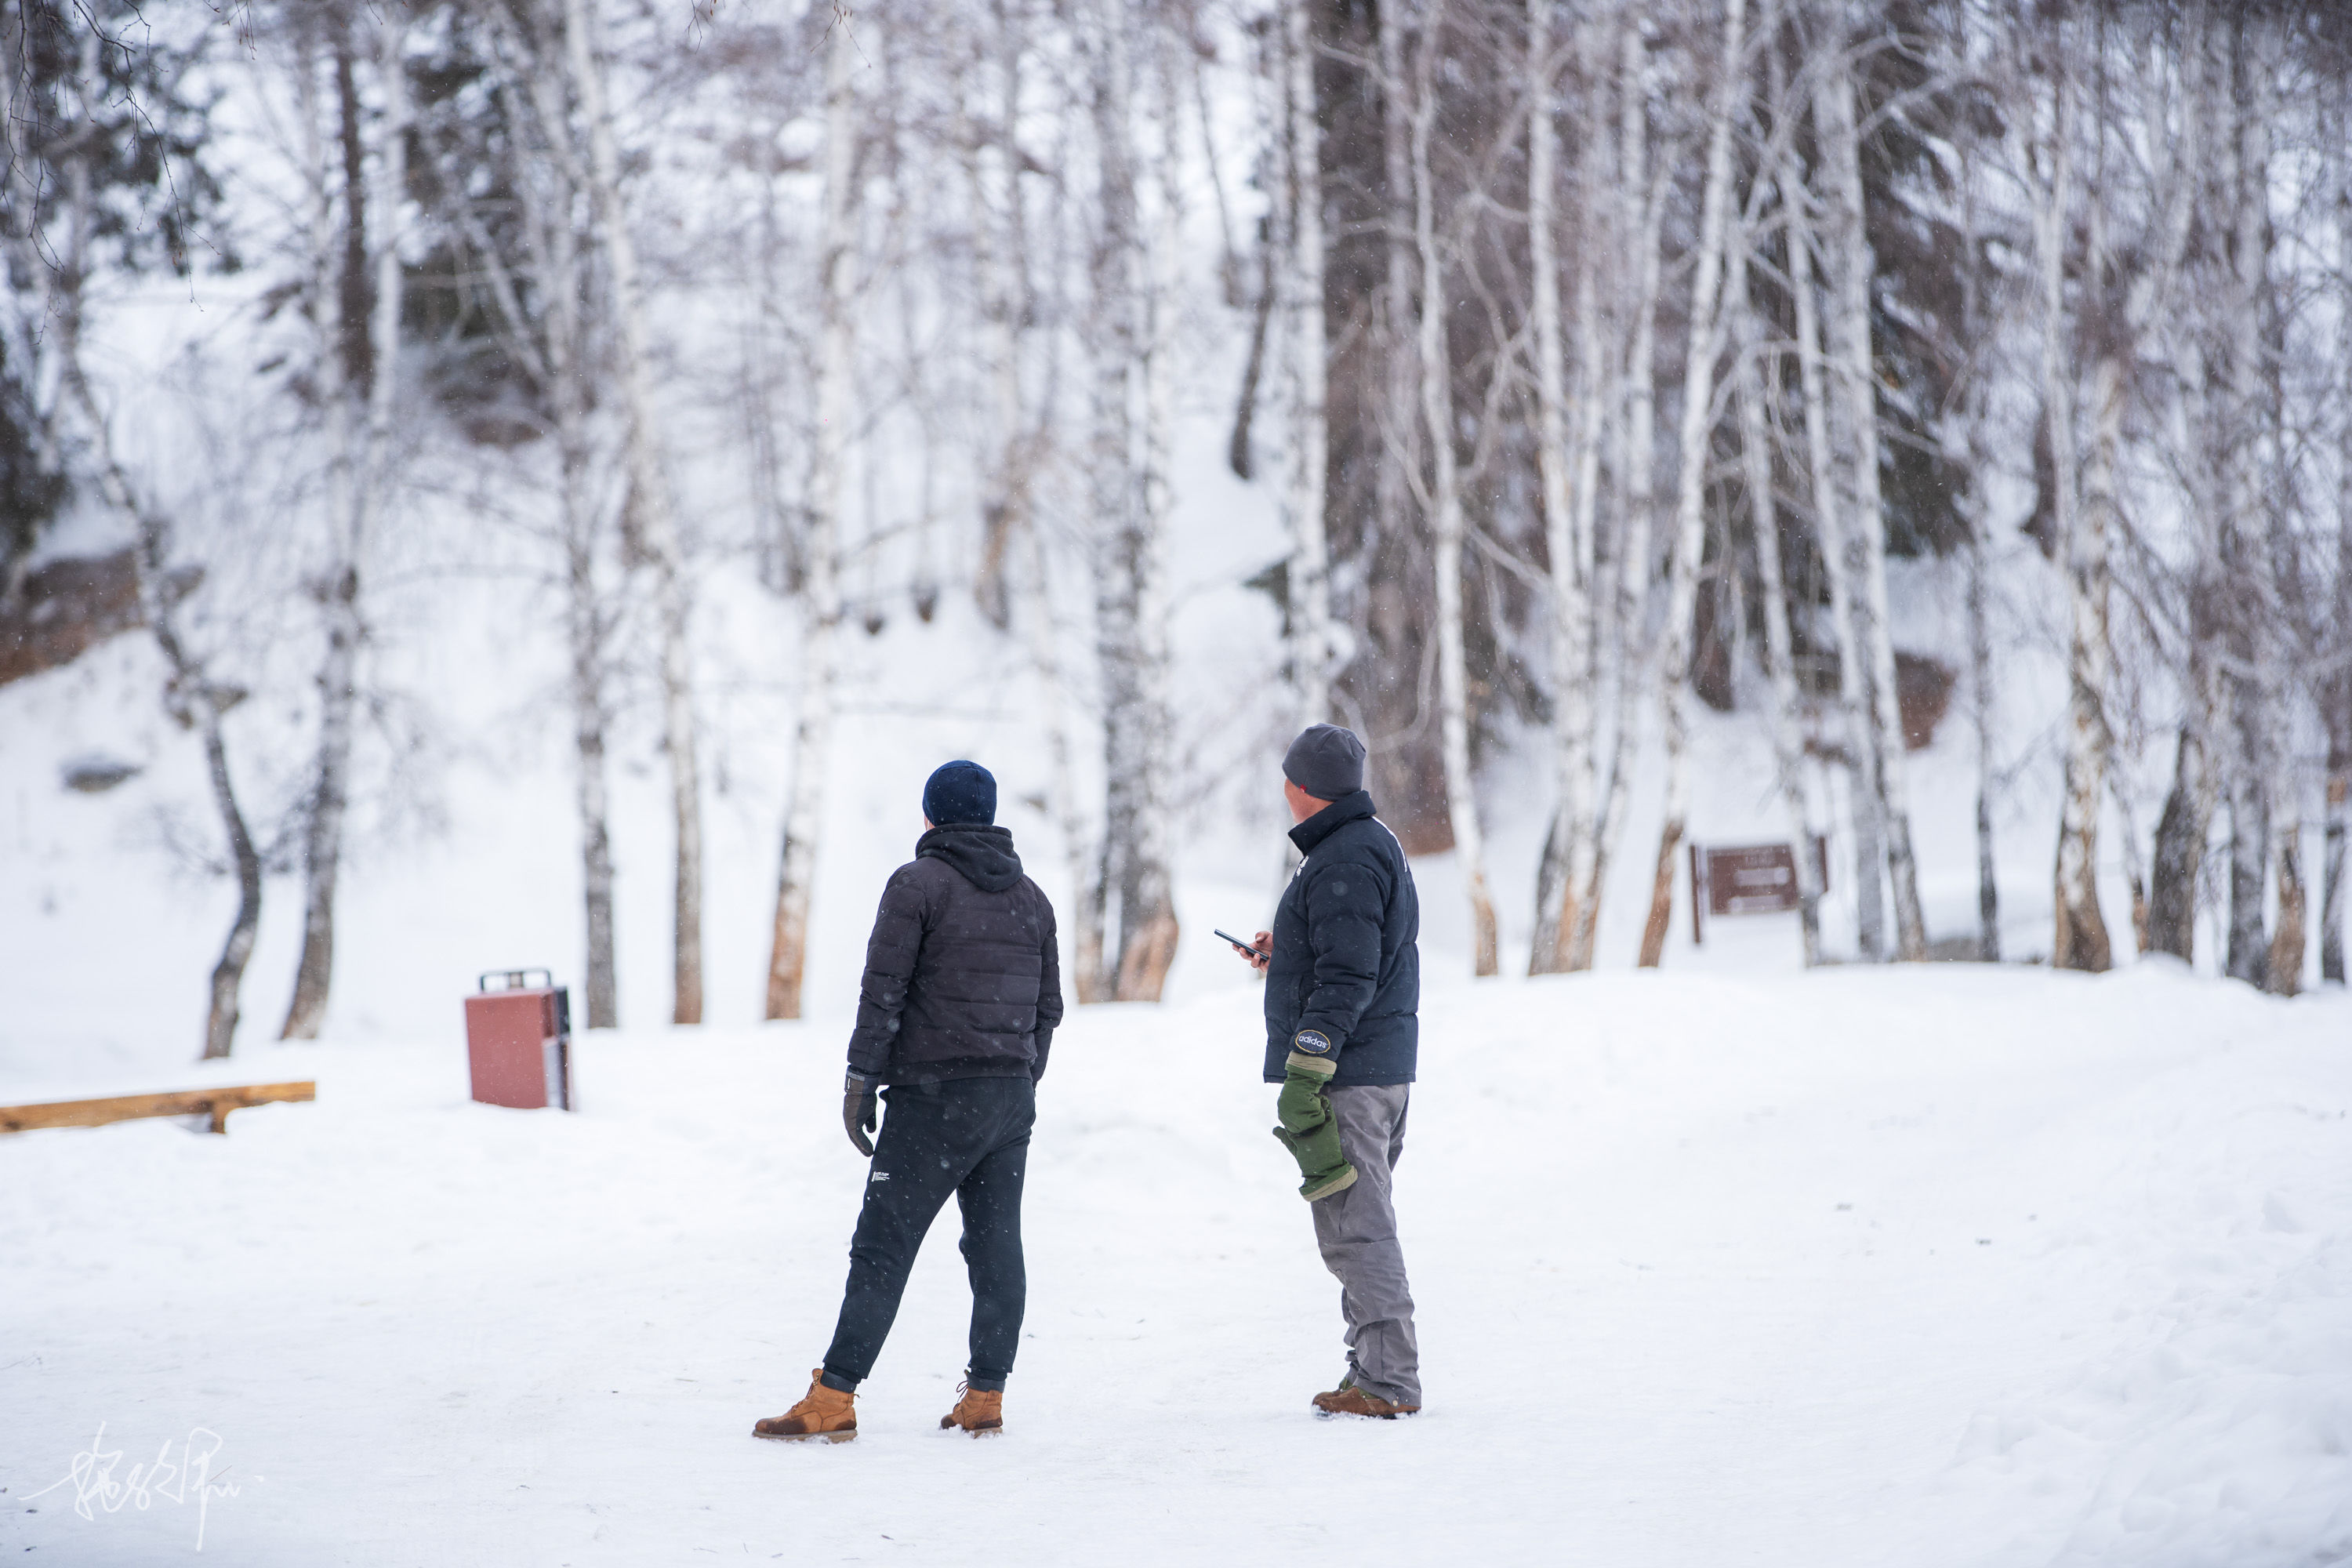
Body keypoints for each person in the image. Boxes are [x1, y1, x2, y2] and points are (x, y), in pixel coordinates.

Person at [753, 760, 1062, 1443]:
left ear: (931, 817)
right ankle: (985, 1395)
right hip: (1009, 1100)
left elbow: (882, 992)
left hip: (932, 1099)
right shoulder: (1033, 899)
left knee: (882, 1247)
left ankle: (833, 1399)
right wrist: (1016, 1081)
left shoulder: (915, 885)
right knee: (995, 1244)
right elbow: (1050, 1010)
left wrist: (861, 1078)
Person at [1238, 722, 1424, 1420]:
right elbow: (1356, 951)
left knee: (1358, 1229)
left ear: (1301, 788)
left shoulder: (1343, 858)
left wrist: (1310, 1060)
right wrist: (1285, 953)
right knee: (1356, 1223)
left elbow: (1349, 973)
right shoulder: (1368, 843)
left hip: (1350, 1073)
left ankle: (1388, 1381)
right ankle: (1370, 1370)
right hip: (1377, 1066)